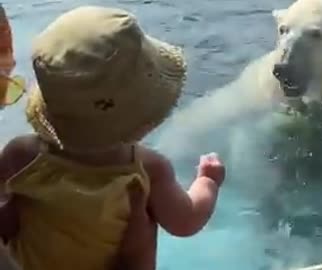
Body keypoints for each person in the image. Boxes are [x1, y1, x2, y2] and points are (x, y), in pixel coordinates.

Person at [0, 5, 226, 270]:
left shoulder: (21, 155)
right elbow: (185, 222)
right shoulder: (146, 171)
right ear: (145, 117)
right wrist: (208, 182)